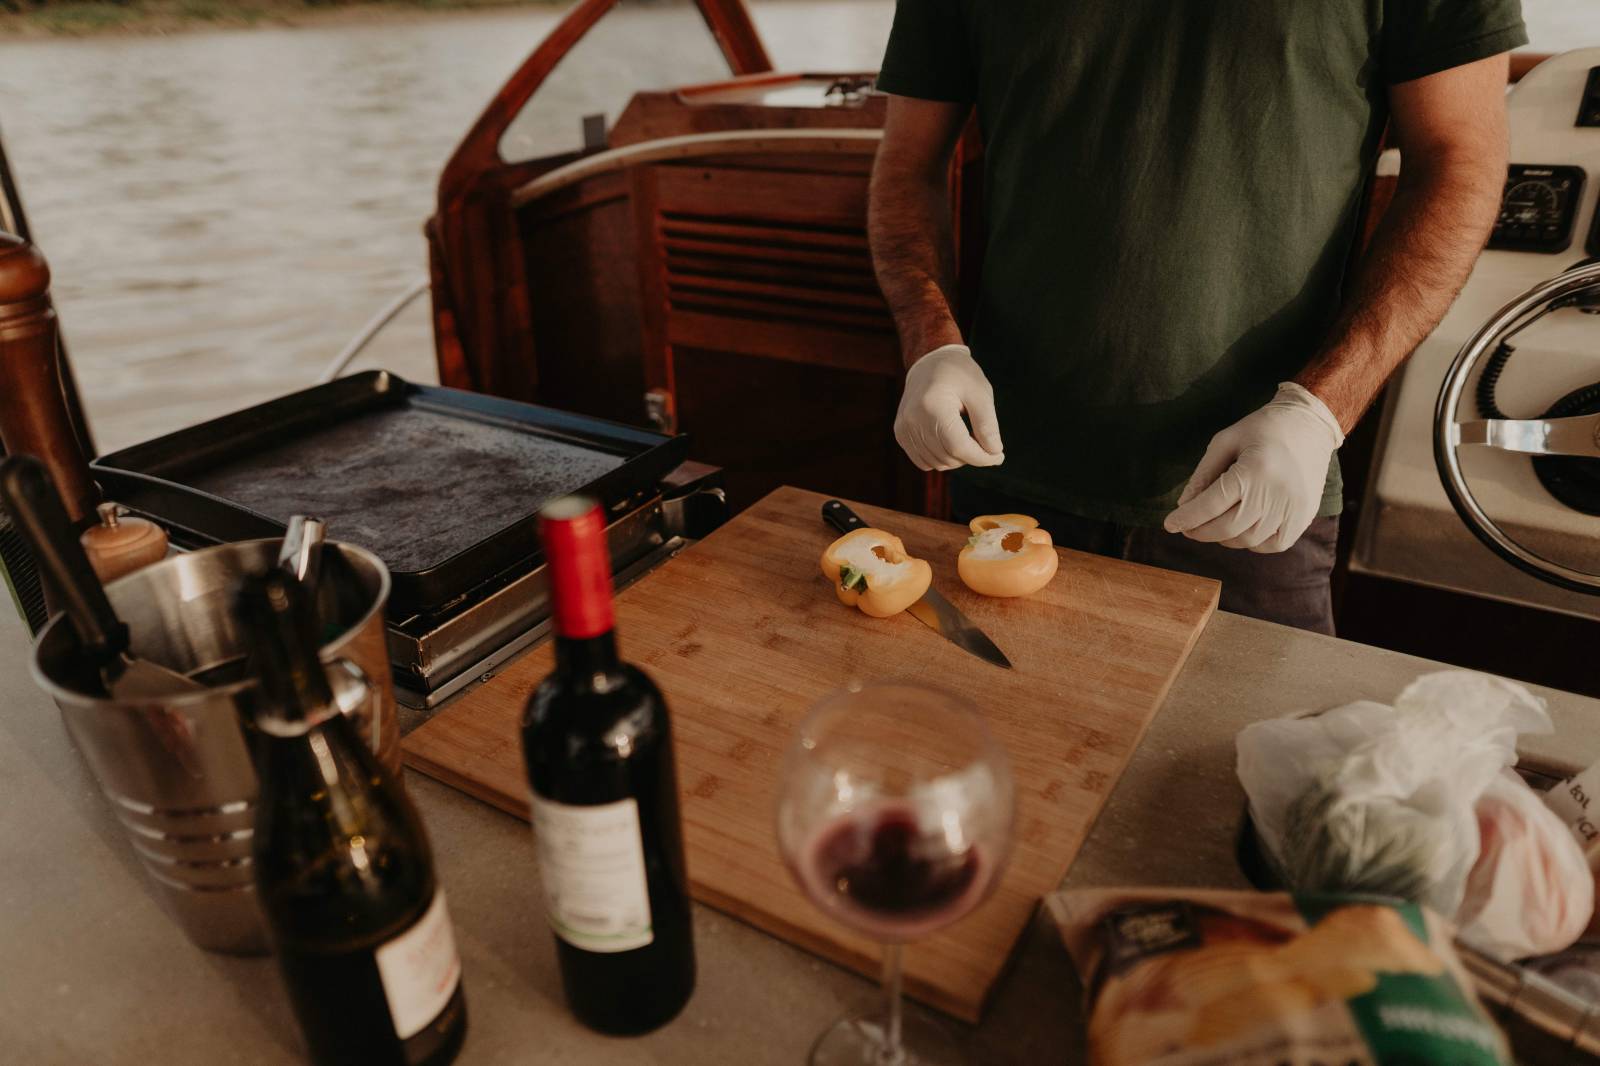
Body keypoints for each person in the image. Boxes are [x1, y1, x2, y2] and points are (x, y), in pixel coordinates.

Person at [869, 1, 1523, 634]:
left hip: (1255, 489)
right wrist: (932, 347)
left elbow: (1459, 164)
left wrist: (1320, 411)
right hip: (1003, 471)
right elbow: (907, 166)